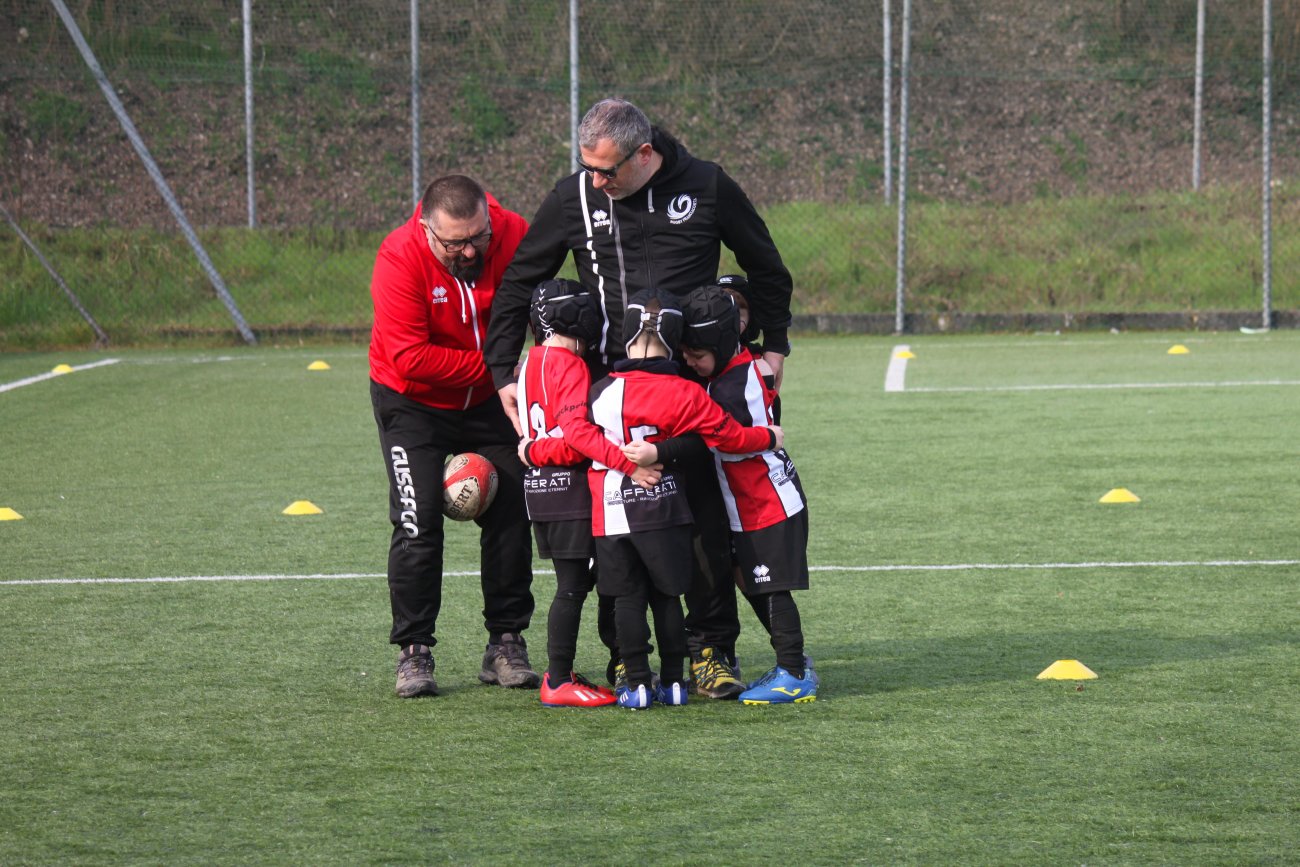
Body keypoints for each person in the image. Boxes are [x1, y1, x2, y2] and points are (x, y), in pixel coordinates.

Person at [483, 97, 796, 698]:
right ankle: (629, 659)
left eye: (607, 170)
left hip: (690, 390)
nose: (595, 181)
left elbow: (766, 265)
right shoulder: (574, 196)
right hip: (606, 398)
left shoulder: (706, 185)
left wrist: (774, 343)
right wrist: (505, 373)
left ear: (645, 153)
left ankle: (711, 651)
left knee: (705, 522)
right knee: (613, 533)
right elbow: (520, 281)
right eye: (588, 168)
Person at [550, 289, 783, 709]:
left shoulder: (599, 389)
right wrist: (768, 436)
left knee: (625, 598)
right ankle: (675, 680)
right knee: (667, 594)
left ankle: (636, 680)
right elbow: (728, 436)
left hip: (612, 513)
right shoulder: (686, 392)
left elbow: (573, 433)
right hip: (664, 509)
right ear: (676, 338)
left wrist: (612, 463)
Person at [369, 174, 540, 698]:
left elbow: (545, 303)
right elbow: (410, 358)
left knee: (513, 510)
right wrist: (500, 365)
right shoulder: (399, 256)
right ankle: (414, 650)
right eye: (454, 243)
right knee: (418, 521)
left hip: (492, 402)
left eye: (477, 237)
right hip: (412, 402)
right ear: (426, 230)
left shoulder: (514, 232)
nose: (469, 251)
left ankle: (505, 643)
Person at [628, 284, 817, 704]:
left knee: (771, 586)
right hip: (750, 504)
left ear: (718, 343)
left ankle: (794, 672)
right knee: (752, 581)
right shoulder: (739, 365)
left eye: (697, 354)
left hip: (765, 503)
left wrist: (663, 447)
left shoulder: (729, 389)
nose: (690, 362)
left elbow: (727, 440)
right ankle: (793, 661)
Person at [514, 278, 662, 708]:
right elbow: (577, 436)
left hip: (540, 492)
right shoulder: (571, 365)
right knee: (576, 586)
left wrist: (531, 450)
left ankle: (571, 671)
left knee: (577, 583)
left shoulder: (529, 361)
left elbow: (539, 434)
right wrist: (628, 463)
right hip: (570, 493)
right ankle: (559, 678)